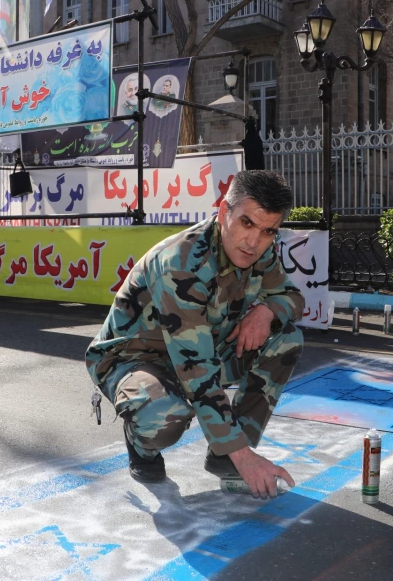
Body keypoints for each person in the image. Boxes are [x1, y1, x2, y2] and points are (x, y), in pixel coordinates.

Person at [86, 170, 305, 499]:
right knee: (166, 414)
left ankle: (223, 455)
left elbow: (293, 297)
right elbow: (197, 371)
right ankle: (141, 445)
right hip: (134, 360)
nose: (254, 241)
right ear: (224, 212)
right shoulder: (181, 263)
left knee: (286, 339)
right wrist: (245, 457)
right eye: (246, 223)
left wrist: (267, 311)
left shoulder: (261, 253)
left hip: (200, 350)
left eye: (268, 231)